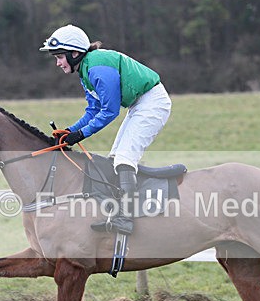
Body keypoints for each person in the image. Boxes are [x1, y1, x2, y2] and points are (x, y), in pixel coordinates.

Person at [39, 24, 172, 235]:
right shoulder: (85, 70)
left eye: (59, 57)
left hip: (152, 102)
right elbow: (93, 110)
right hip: (139, 104)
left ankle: (126, 219)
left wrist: (80, 135)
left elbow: (109, 112)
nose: (57, 63)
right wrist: (68, 132)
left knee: (124, 159)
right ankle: (116, 213)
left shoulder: (97, 68)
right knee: (114, 159)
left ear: (74, 53)